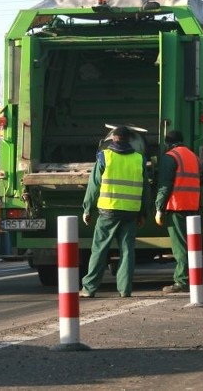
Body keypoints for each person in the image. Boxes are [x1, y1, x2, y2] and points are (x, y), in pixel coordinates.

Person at [80, 126, 149, 298]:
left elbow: (93, 186)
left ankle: (89, 288)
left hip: (108, 211)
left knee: (100, 249)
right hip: (130, 212)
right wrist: (143, 213)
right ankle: (125, 289)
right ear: (129, 140)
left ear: (112, 139)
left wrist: (87, 208)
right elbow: (146, 189)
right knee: (127, 251)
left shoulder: (104, 157)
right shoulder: (139, 159)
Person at [155, 130, 201, 294]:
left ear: (168, 143)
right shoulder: (193, 157)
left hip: (177, 207)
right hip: (192, 206)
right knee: (191, 246)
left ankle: (181, 281)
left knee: (180, 247)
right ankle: (192, 279)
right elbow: (202, 178)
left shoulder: (170, 157)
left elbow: (165, 186)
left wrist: (159, 208)